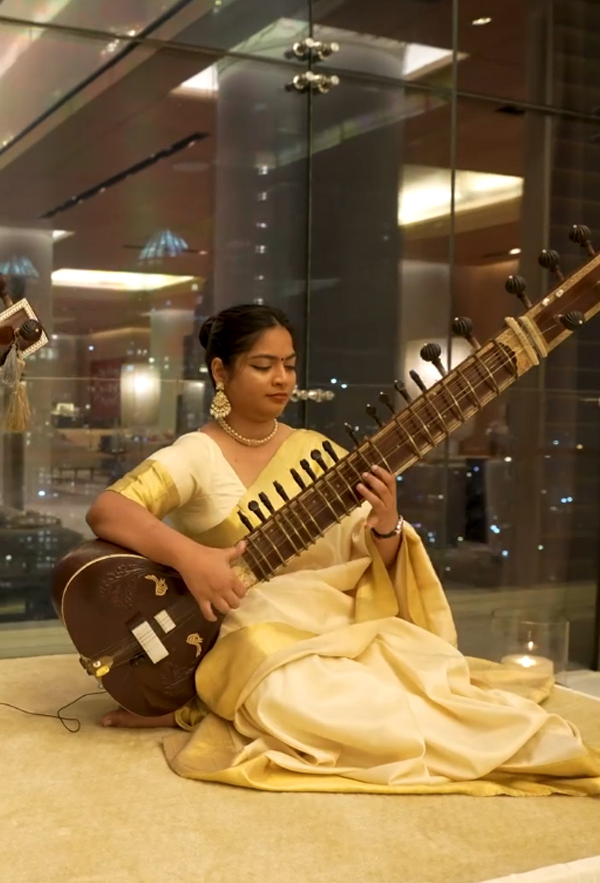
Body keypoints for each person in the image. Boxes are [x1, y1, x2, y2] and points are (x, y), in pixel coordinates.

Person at [86, 303, 600, 796]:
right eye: (263, 366)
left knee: (420, 691)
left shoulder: (317, 451)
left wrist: (386, 525)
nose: (282, 379)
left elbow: (368, 560)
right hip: (251, 629)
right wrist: (191, 558)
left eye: (289, 365)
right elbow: (108, 510)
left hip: (337, 621)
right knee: (305, 700)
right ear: (221, 372)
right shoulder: (196, 455)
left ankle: (498, 747)